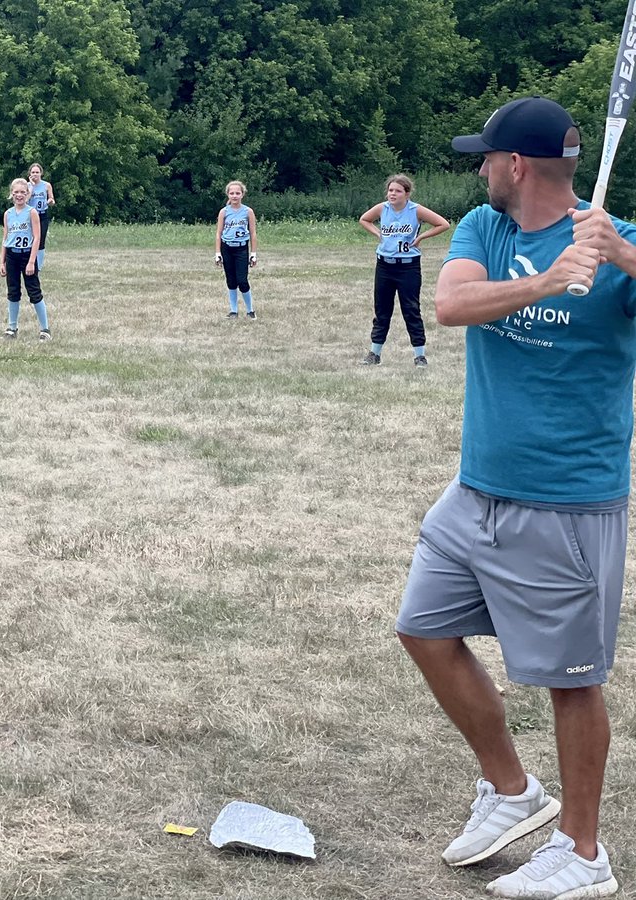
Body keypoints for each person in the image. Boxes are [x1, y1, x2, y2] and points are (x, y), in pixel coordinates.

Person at [396, 96, 636, 899]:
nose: (479, 169)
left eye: (486, 158)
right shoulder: (485, 229)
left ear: (518, 166)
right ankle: (510, 790)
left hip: (568, 501)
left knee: (571, 678)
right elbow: (453, 304)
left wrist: (622, 262)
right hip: (477, 492)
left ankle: (583, 852)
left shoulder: (617, 243)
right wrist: (546, 281)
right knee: (423, 629)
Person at [357, 174, 450, 367]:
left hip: (408, 266)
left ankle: (419, 355)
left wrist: (421, 237)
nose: (392, 194)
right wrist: (377, 232)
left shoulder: (415, 210)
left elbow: (443, 224)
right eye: (390, 190)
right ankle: (374, 354)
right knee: (382, 310)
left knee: (411, 309)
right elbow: (364, 219)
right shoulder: (383, 208)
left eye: (397, 191)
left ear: (406, 194)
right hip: (384, 265)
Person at [0, 177, 50, 341]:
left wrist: (31, 261)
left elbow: (37, 238)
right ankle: (12, 328)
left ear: (28, 194)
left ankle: (45, 329)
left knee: (34, 291)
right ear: (11, 194)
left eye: (23, 192)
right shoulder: (8, 214)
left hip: (27, 255)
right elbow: (5, 238)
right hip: (12, 256)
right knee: (13, 292)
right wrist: (2, 261)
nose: (19, 195)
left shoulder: (32, 212)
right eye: (16, 192)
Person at [213, 181, 258, 319]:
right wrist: (217, 252)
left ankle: (250, 310)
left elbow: (253, 233)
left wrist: (253, 253)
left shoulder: (248, 211)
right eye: (232, 193)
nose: (234, 196)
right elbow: (219, 233)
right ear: (228, 194)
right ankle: (233, 311)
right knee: (231, 280)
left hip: (241, 249)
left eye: (237, 193)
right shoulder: (224, 212)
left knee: (242, 280)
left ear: (242, 194)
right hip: (227, 248)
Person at [27, 163, 55, 269]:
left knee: (41, 240)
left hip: (42, 215)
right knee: (30, 238)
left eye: (37, 172)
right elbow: (26, 200)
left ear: (41, 173)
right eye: (33, 172)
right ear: (29, 174)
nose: (35, 174)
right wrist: (32, 186)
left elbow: (52, 199)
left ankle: (39, 265)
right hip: (30, 216)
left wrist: (50, 201)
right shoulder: (27, 185)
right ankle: (29, 262)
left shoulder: (46, 185)